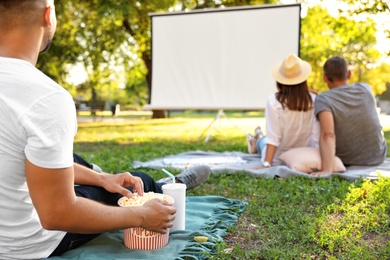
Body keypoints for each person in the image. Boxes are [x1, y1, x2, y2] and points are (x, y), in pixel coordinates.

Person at [0, 1, 211, 259]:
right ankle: (164, 186)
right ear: (48, 15)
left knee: (76, 164)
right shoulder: (45, 98)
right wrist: (141, 214)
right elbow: (57, 214)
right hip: (25, 242)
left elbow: (19, 159)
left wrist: (102, 179)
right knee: (138, 183)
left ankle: (115, 178)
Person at [312, 56, 387, 176]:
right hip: (377, 157)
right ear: (349, 74)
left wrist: (327, 170)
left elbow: (328, 134)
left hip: (347, 160)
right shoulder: (365, 88)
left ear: (325, 78)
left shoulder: (323, 99)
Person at [247, 54, 319, 168]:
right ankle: (257, 138)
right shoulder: (315, 100)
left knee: (264, 141)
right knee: (264, 140)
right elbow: (317, 136)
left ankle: (257, 139)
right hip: (305, 154)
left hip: (277, 157)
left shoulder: (274, 101)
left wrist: (267, 164)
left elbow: (273, 138)